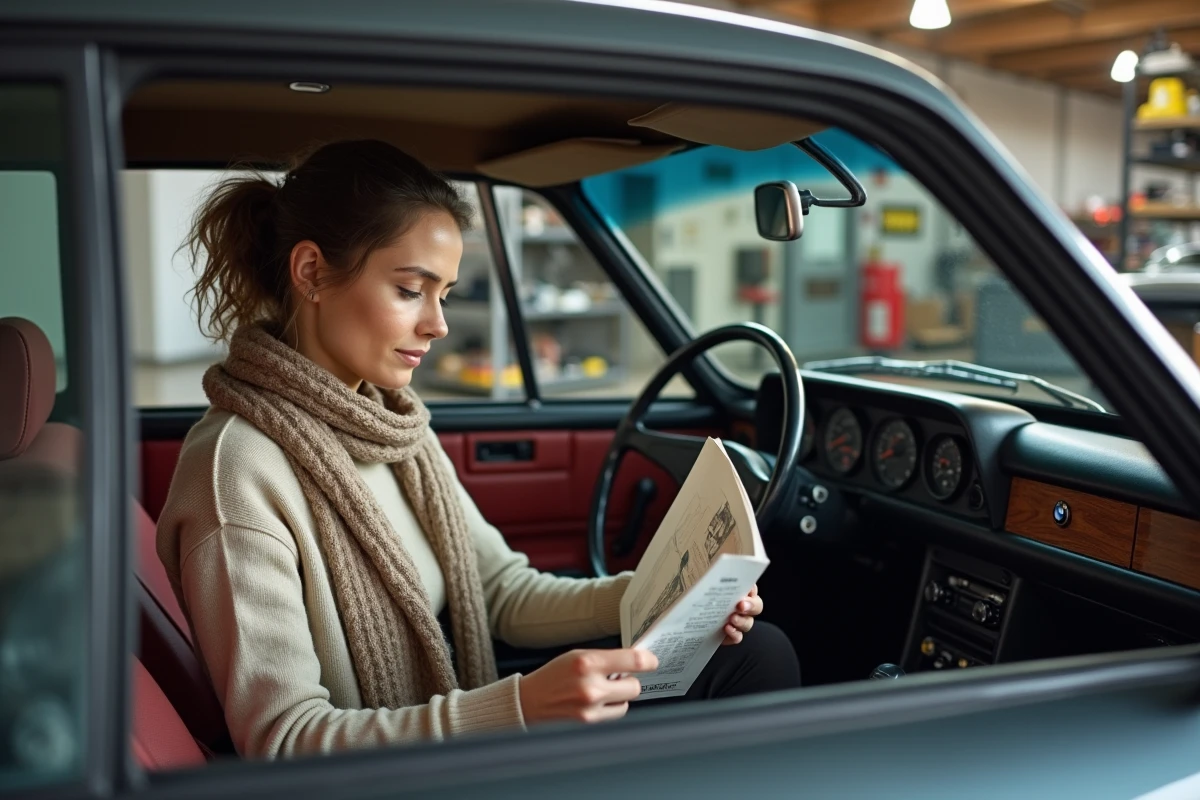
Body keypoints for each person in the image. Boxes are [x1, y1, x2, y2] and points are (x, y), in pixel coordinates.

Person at [156, 139, 800, 760]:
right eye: (411, 289)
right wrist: (518, 709)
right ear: (311, 272)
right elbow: (283, 740)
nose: (437, 324)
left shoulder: (393, 423)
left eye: (444, 294)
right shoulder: (236, 471)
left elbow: (502, 592)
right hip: (407, 778)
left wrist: (660, 600)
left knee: (752, 652)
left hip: (460, 745)